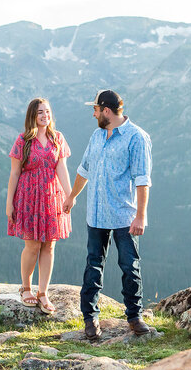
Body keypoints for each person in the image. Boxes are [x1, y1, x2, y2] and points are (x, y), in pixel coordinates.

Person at [63, 89, 152, 340]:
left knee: (129, 266)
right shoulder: (97, 135)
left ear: (106, 111)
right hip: (96, 213)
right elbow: (84, 169)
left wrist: (141, 216)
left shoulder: (137, 137)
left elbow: (143, 180)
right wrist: (72, 197)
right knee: (93, 266)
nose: (93, 114)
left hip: (125, 214)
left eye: (95, 109)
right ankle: (90, 319)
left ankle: (134, 317)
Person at [6, 97, 72, 314]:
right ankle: (26, 288)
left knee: (50, 245)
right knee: (32, 245)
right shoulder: (23, 140)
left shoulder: (57, 138)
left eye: (48, 111)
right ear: (33, 116)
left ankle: (43, 292)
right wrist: (10, 203)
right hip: (28, 198)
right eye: (40, 112)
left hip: (52, 196)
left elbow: (61, 168)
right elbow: (15, 173)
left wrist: (69, 195)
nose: (45, 116)